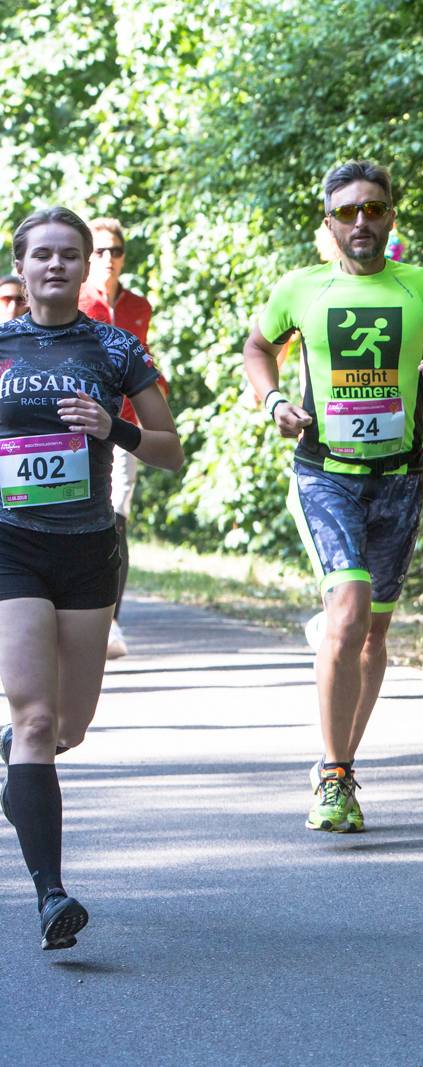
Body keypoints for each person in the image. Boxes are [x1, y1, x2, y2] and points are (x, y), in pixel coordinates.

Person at [241, 160, 423, 834]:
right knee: (347, 609)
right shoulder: (301, 288)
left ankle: (339, 761)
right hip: (326, 472)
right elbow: (258, 345)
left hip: (400, 476)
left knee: (373, 631)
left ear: (392, 215)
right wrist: (274, 397)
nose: (361, 222)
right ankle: (336, 777)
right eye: (347, 212)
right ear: (329, 221)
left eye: (374, 209)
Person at [0, 206, 183, 950]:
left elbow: (170, 450)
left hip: (87, 550)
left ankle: (15, 769)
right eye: (41, 255)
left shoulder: (116, 346)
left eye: (68, 255)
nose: (55, 266)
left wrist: (117, 429)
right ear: (20, 266)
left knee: (66, 728)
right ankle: (51, 897)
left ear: (85, 267)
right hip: (11, 545)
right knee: (35, 718)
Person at [77, 217, 169, 659]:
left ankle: (111, 624)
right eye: (98, 251)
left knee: (116, 520)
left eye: (114, 251)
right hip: (76, 428)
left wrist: (158, 388)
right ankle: (73, 613)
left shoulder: (138, 305)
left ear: (123, 256)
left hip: (125, 428)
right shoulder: (74, 300)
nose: (106, 259)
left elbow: (142, 356)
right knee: (80, 516)